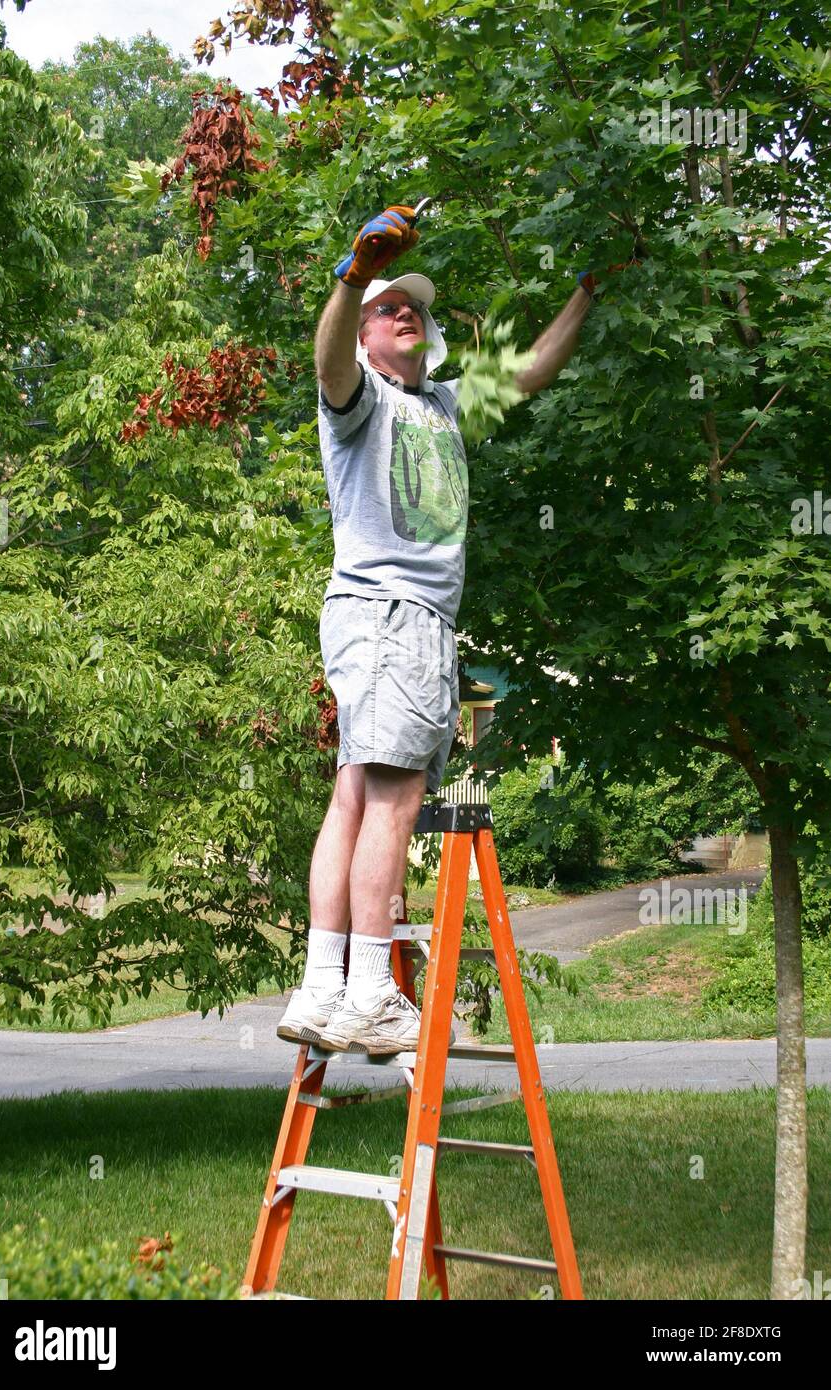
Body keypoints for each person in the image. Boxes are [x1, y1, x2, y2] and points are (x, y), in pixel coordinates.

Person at [277, 203, 596, 1055]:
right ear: (365, 338)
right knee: (392, 797)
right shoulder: (359, 399)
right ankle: (371, 990)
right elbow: (326, 355)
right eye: (388, 307)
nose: (404, 311)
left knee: (355, 794)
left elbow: (530, 371)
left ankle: (321, 987)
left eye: (412, 304)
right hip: (389, 617)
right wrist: (353, 273)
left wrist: (587, 293)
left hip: (394, 625)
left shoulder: (446, 404)